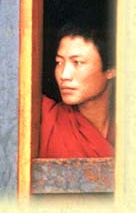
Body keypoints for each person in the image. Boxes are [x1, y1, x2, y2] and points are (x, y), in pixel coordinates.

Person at [40, 23, 116, 158]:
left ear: (111, 69)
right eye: (59, 62)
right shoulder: (43, 118)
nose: (64, 75)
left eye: (77, 62)